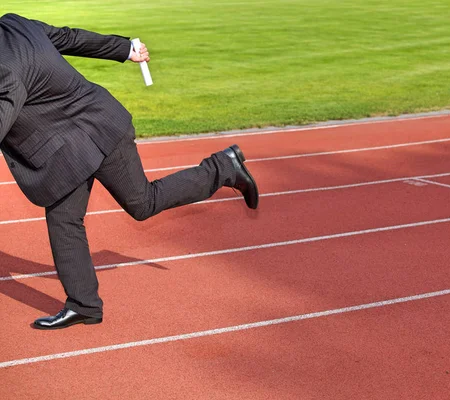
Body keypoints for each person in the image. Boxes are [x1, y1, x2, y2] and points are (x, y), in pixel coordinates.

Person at [0, 13, 259, 330]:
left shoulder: (4, 71)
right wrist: (124, 49)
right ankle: (84, 305)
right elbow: (68, 37)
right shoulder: (14, 24)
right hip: (70, 144)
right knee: (63, 218)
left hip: (99, 129)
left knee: (142, 203)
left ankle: (224, 167)